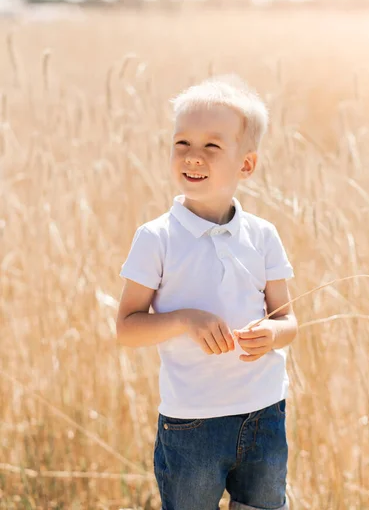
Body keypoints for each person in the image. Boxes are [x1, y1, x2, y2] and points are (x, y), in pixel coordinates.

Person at [116, 75, 298, 510]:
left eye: (212, 147)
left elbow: (288, 321)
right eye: (182, 143)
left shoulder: (264, 235)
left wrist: (273, 336)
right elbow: (126, 327)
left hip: (264, 412)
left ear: (246, 165)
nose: (193, 156)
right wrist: (185, 319)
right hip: (191, 422)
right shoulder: (155, 237)